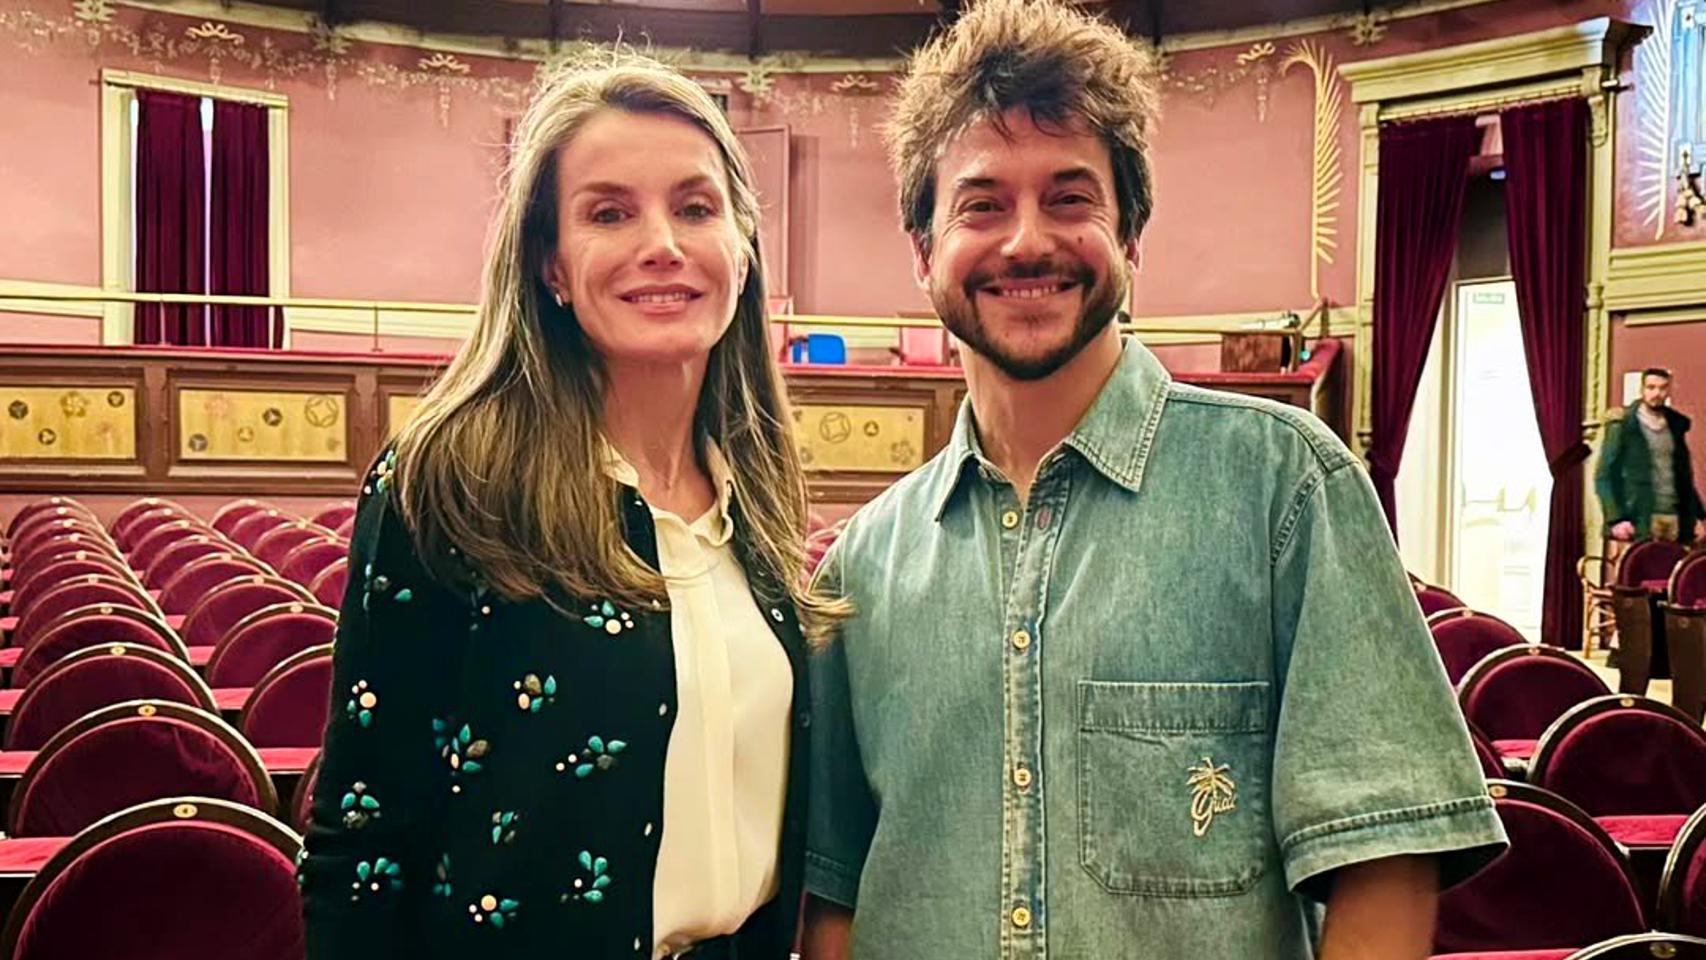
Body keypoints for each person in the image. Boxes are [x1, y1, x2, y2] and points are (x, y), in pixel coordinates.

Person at [802, 1, 1507, 957]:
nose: (1024, 241)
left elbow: (1383, 864)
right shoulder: (864, 565)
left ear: (1131, 235)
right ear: (924, 251)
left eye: (1069, 197)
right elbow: (837, 895)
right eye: (980, 204)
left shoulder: (1286, 488)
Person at [299, 51, 836, 959]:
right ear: (550, 262)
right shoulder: (450, 480)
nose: (662, 243)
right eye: (609, 212)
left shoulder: (758, 486)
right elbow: (365, 836)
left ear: (742, 247)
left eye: (696, 207)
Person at [1597, 367, 1705, 547]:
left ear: (1668, 391)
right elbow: (1604, 475)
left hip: (1674, 516)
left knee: (1675, 572)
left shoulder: (1676, 425)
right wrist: (1615, 518)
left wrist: (1700, 516)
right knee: (1637, 571)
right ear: (1642, 390)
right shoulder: (1623, 425)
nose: (1657, 393)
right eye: (1651, 387)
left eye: (1662, 388)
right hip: (1638, 516)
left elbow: (1684, 477)